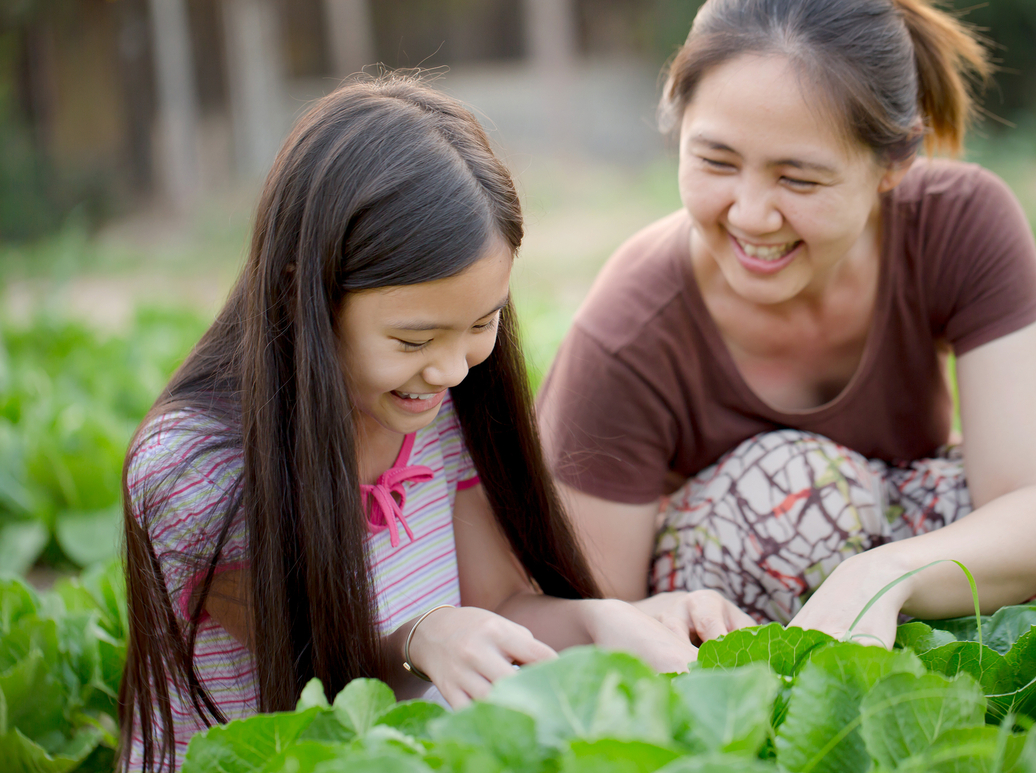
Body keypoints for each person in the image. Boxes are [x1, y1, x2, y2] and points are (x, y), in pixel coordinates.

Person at [118, 76, 696, 773]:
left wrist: (601, 624)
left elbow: (498, 606)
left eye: (482, 324)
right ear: (306, 292)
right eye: (415, 341)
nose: (453, 369)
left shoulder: (437, 410)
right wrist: (423, 634)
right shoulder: (196, 469)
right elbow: (319, 688)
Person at [537, 0, 1036, 651]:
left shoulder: (959, 224)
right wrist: (664, 616)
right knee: (792, 493)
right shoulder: (632, 327)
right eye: (716, 162)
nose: (751, 214)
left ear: (895, 162)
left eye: (798, 178)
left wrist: (879, 576)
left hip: (885, 556)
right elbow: (585, 607)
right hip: (721, 623)